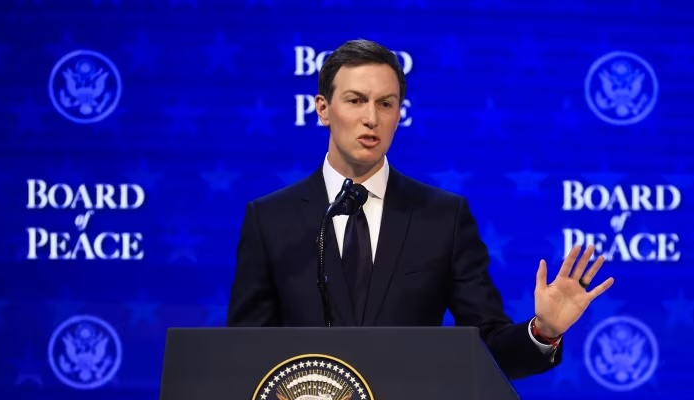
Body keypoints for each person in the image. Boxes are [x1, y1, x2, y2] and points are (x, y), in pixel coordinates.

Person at [226, 39, 613, 380]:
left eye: (386, 104)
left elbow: (489, 351)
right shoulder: (270, 219)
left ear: (399, 114)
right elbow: (244, 354)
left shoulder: (443, 218)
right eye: (356, 100)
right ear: (324, 109)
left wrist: (543, 331)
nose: (371, 118)